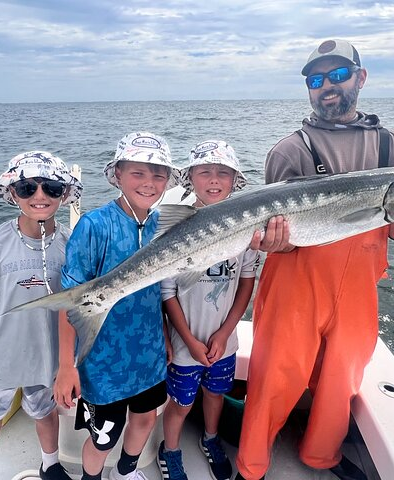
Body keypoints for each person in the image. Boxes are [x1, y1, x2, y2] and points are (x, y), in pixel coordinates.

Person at [235, 39, 394, 480]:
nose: (326, 86)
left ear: (360, 78)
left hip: (360, 288)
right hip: (295, 284)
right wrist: (275, 242)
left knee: (341, 379)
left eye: (338, 74)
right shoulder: (291, 150)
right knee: (274, 377)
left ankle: (321, 456)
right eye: (316, 79)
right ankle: (251, 467)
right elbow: (278, 238)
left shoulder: (392, 146)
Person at [53, 132, 178, 480]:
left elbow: (158, 292)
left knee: (145, 418)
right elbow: (72, 302)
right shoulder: (94, 226)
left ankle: (126, 472)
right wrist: (67, 366)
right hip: (101, 361)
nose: (149, 183)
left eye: (158, 174)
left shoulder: (164, 225)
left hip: (150, 353)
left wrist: (164, 336)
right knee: (104, 436)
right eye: (138, 172)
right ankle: (91, 478)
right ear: (117, 175)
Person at [0, 151, 83, 480]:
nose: (39, 196)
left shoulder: (74, 244)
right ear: (12, 193)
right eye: (27, 188)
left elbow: (77, 310)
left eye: (52, 188)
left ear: (65, 194)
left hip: (47, 356)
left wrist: (73, 364)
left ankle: (50, 464)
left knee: (46, 414)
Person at [157, 141, 261, 480]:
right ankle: (170, 450)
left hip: (224, 344)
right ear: (191, 179)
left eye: (223, 173)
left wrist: (225, 332)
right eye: (205, 172)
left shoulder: (248, 225)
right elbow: (167, 290)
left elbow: (246, 282)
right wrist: (187, 338)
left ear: (234, 180)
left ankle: (211, 439)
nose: (214, 179)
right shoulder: (175, 225)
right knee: (182, 404)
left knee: (216, 395)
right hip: (186, 346)